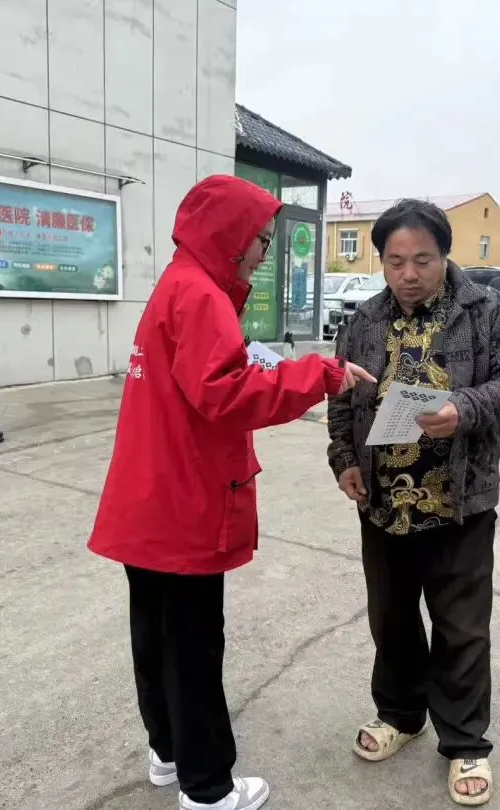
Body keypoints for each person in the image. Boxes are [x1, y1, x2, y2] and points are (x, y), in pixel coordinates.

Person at [89, 174, 374, 810]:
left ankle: (169, 753)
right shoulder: (200, 296)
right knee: (193, 645)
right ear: (230, 235)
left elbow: (213, 377)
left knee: (156, 636)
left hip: (150, 497)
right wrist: (320, 375)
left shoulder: (179, 284)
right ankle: (209, 787)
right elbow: (226, 392)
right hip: (184, 500)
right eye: (261, 239)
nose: (264, 253)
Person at [326, 199, 500, 806]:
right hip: (383, 502)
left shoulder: (486, 310)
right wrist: (343, 460)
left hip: (458, 500)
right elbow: (341, 396)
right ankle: (399, 714)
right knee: (391, 619)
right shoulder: (365, 319)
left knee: (461, 627)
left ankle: (465, 741)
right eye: (395, 262)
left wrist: (463, 408)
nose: (409, 274)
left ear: (445, 254)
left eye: (422, 259)